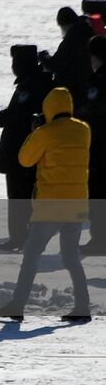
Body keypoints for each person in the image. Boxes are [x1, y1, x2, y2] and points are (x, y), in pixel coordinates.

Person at [0, 87, 92, 322]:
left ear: (49, 108)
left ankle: (17, 305)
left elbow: (25, 159)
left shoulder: (45, 133)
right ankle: (83, 306)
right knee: (71, 257)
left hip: (50, 207)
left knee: (31, 256)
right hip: (76, 205)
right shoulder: (84, 130)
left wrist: (35, 132)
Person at [0, 45, 54, 252]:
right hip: (30, 149)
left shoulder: (30, 86)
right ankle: (27, 236)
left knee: (19, 196)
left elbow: (19, 114)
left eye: (15, 62)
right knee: (29, 196)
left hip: (21, 150)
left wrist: (2, 117)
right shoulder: (39, 82)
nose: (13, 67)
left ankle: (20, 237)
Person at [80, 36, 106, 255]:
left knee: (98, 194)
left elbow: (91, 111)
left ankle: (100, 240)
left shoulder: (99, 81)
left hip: (99, 146)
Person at [46, 6, 94, 101]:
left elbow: (55, 65)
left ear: (64, 25)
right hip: (87, 83)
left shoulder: (72, 38)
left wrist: (44, 58)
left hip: (73, 88)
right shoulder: (87, 30)